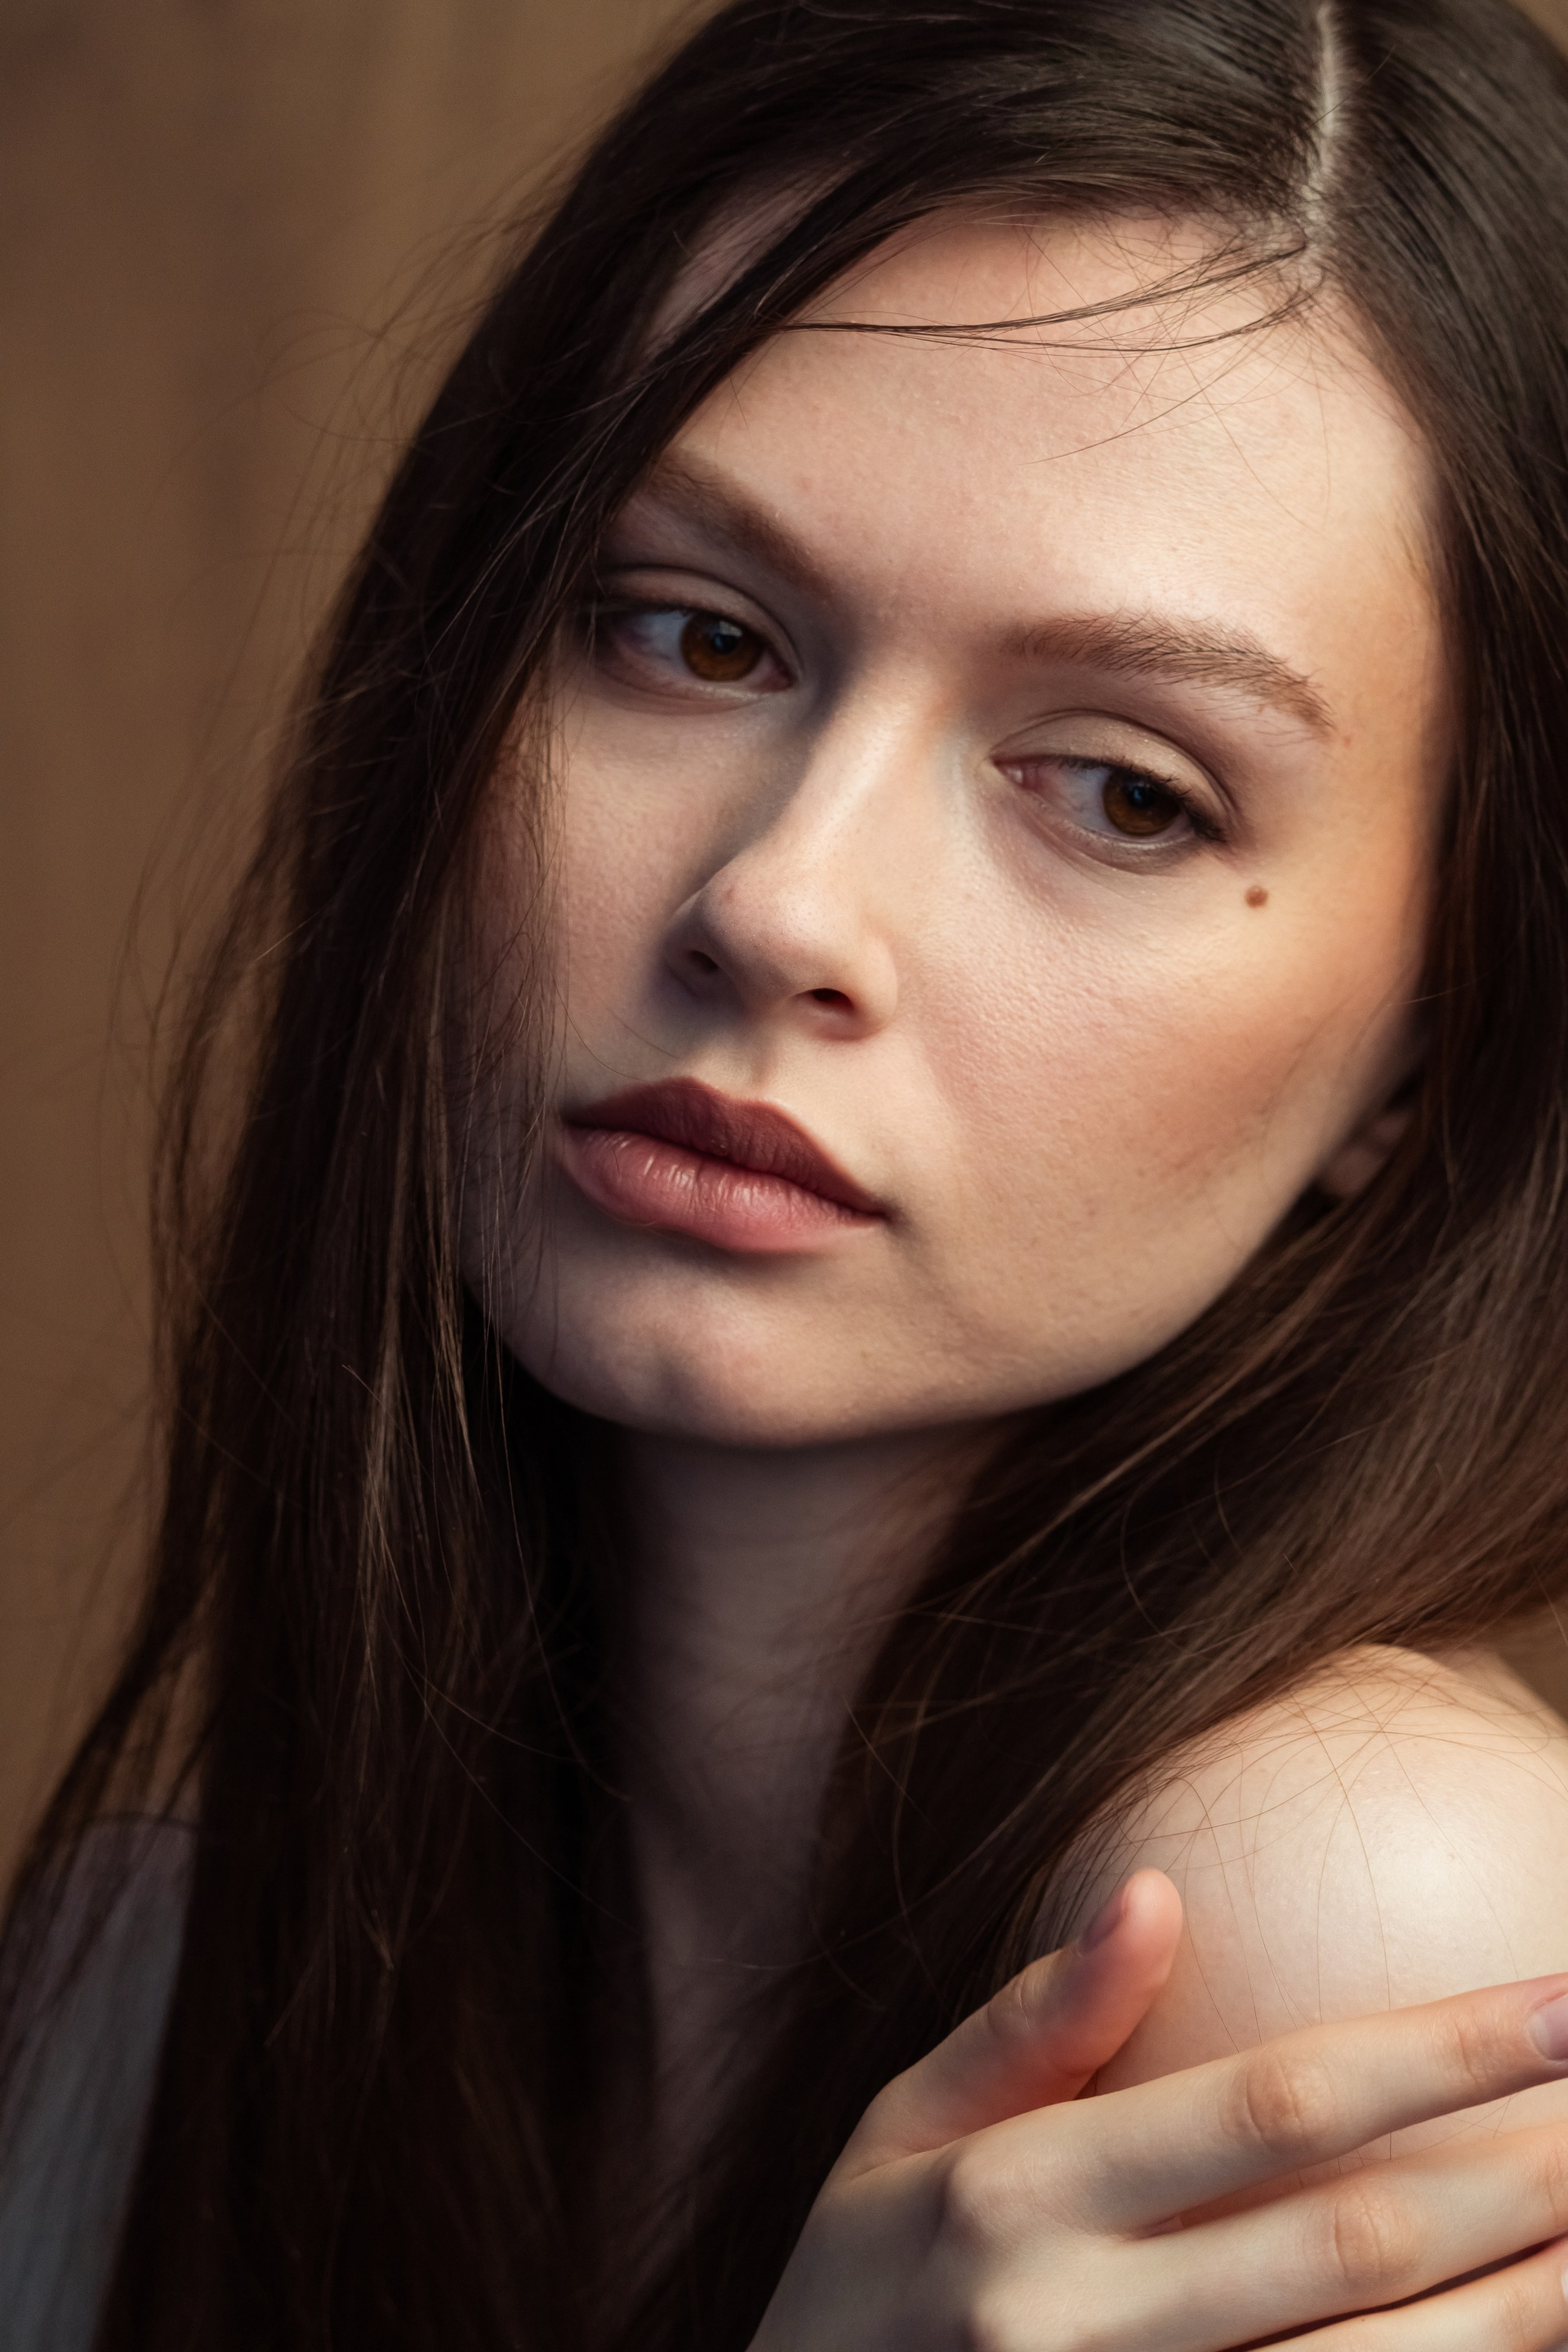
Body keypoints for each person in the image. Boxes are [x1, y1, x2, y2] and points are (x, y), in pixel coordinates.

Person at [7, 0, 1568, 2342]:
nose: (781, 904)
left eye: (1126, 789)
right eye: (696, 636)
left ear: (1430, 1042)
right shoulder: (144, 1997)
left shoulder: (1334, 1915)